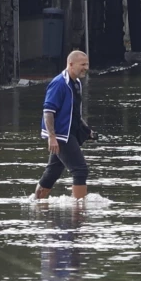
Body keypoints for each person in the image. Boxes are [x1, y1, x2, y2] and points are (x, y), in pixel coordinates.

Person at [34, 50, 96, 201]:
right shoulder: (59, 84)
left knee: (53, 171)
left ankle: (37, 203)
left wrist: (86, 130)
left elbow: (74, 113)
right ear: (71, 64)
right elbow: (48, 111)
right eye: (82, 64)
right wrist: (52, 137)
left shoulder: (76, 84)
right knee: (80, 170)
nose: (86, 67)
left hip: (70, 132)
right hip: (61, 135)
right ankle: (79, 210)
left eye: (87, 64)